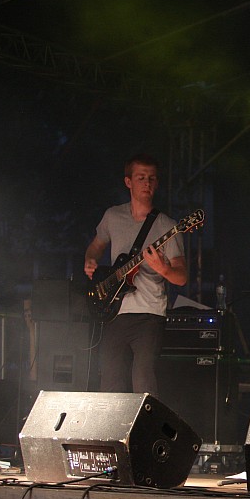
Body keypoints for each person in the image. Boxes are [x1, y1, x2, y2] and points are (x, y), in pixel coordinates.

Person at [84, 154, 187, 396]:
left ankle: (147, 422)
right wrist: (90, 260)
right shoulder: (113, 216)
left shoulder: (167, 226)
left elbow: (181, 277)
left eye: (152, 178)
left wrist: (163, 268)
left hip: (150, 314)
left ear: (157, 183)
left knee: (144, 382)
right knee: (110, 384)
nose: (147, 183)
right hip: (115, 313)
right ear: (128, 182)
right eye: (141, 178)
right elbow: (96, 245)